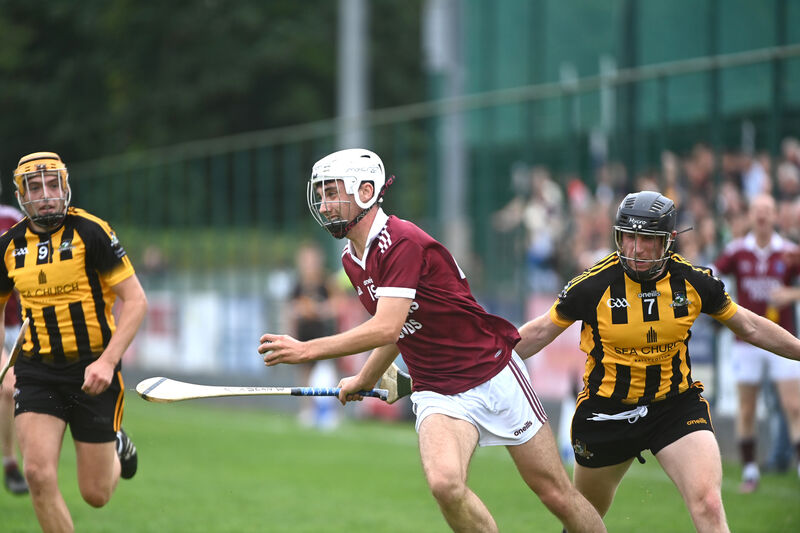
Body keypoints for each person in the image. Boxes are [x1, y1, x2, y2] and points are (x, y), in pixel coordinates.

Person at [258, 148, 606, 533]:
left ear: (365, 191)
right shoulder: (351, 259)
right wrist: (364, 379)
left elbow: (386, 327)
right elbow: (400, 328)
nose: (324, 206)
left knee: (556, 494)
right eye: (320, 196)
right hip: (436, 390)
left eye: (331, 193)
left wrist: (306, 349)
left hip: (491, 373)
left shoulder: (400, 242)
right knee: (445, 484)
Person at [515, 190, 800, 533]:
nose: (636, 248)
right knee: (583, 523)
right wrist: (487, 359)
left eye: (647, 239)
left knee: (709, 504)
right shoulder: (592, 286)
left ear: (667, 241)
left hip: (674, 406)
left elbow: (750, 326)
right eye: (629, 237)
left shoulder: (693, 281)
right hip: (607, 411)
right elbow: (539, 332)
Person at [0, 152, 148, 532]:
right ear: (21, 195)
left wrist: (107, 362)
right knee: (37, 474)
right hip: (36, 370)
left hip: (92, 369)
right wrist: (3, 362)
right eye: (35, 188)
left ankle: (117, 445)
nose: (46, 195)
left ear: (65, 187)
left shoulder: (92, 232)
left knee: (95, 494)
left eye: (53, 185)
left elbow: (136, 301)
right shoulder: (8, 246)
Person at [714, 193, 800, 492]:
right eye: (757, 210)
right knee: (747, 407)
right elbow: (710, 274)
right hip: (745, 341)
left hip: (781, 339)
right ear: (750, 215)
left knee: (794, 406)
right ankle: (750, 471)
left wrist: (792, 294)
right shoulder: (737, 250)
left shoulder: (788, 252)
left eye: (767, 210)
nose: (762, 215)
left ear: (775, 215)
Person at [287, 242, 338, 428]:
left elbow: (337, 305)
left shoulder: (326, 282)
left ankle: (329, 410)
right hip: (304, 334)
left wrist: (318, 310)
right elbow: (290, 309)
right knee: (305, 373)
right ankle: (307, 409)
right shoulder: (298, 285)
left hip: (324, 333)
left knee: (326, 372)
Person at [0, 200, 28, 495]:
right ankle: (10, 464)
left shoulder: (12, 218)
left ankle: (110, 434)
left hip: (16, 325)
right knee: (8, 388)